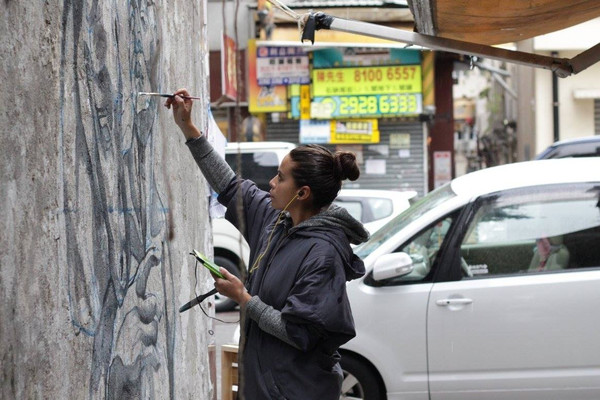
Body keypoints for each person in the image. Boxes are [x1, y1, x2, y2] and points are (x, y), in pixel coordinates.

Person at [165, 88, 369, 399]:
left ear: (302, 193)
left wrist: (243, 298)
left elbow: (297, 331)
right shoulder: (277, 221)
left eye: (280, 177)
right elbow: (228, 185)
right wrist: (187, 127)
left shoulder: (323, 255)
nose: (271, 183)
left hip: (295, 391)